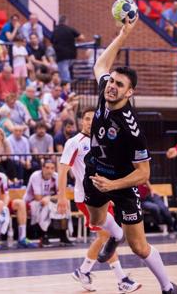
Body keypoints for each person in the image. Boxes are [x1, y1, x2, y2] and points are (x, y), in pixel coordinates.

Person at [81, 16, 177, 294]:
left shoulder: (131, 128)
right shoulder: (104, 92)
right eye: (112, 81)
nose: (112, 85)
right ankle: (117, 233)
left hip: (122, 185)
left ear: (130, 92)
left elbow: (144, 174)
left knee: (139, 247)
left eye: (119, 85)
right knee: (97, 222)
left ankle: (168, 287)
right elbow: (100, 64)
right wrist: (123, 34)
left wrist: (113, 185)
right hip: (95, 174)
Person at [57, 107, 141, 292]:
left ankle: (83, 271)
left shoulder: (101, 141)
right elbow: (62, 170)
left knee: (107, 236)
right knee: (108, 236)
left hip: (102, 197)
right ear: (81, 122)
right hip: (85, 198)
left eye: (91, 119)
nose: (89, 122)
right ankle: (122, 280)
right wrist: (62, 196)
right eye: (85, 119)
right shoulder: (74, 142)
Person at [24, 160, 71, 246]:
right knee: (47, 205)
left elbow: (61, 194)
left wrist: (49, 198)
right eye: (47, 168)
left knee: (64, 203)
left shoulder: (56, 176)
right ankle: (43, 236)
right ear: (42, 168)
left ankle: (63, 235)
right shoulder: (35, 176)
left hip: (48, 200)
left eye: (52, 168)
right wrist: (50, 199)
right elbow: (38, 197)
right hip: (31, 202)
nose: (50, 170)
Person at [51, 15, 84, 83]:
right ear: (66, 21)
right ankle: (69, 87)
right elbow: (82, 37)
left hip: (61, 56)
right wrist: (74, 39)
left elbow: (51, 41)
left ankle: (67, 89)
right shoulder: (70, 29)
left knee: (64, 76)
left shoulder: (55, 31)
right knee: (68, 73)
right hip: (72, 55)